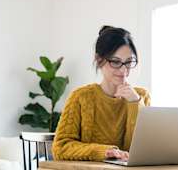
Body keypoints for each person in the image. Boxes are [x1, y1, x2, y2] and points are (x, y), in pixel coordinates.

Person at [52, 25, 151, 162]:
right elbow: (60, 148)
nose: (124, 70)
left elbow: (145, 150)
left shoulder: (141, 96)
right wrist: (105, 152)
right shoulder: (81, 97)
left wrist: (135, 104)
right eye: (116, 62)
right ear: (99, 60)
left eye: (129, 62)